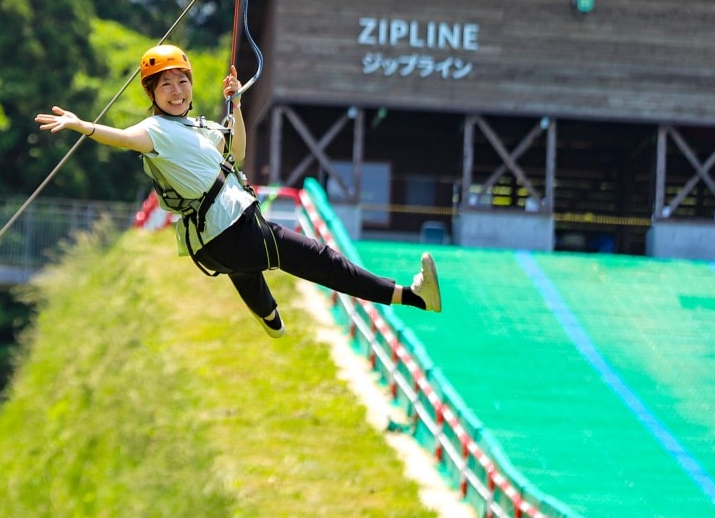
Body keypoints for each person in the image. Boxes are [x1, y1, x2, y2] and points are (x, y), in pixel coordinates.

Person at [36, 44, 441, 336]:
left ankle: (270, 319)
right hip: (234, 230)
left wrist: (238, 106)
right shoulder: (154, 131)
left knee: (248, 271)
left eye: (182, 82)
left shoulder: (199, 128)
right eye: (165, 86)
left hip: (216, 242)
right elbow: (121, 137)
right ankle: (411, 296)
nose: (177, 92)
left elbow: (238, 153)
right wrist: (82, 125)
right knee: (321, 259)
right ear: (151, 94)